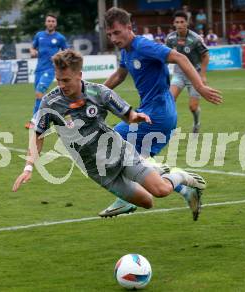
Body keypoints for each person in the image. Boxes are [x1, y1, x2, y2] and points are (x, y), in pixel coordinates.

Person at [12, 49, 206, 221]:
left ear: (79, 75)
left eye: (66, 80)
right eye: (58, 79)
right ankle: (154, 168)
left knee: (161, 191)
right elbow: (38, 133)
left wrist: (135, 117)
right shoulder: (50, 102)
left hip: (121, 154)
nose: (61, 85)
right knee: (147, 202)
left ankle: (180, 176)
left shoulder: (99, 93)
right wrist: (28, 167)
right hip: (98, 171)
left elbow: (128, 114)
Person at [97, 7, 222, 217]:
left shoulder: (144, 46)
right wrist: (96, 95)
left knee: (109, 143)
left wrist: (200, 87)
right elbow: (119, 75)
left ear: (129, 27)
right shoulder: (127, 51)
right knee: (132, 161)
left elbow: (180, 58)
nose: (113, 38)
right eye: (109, 35)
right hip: (152, 112)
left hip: (157, 115)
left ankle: (165, 180)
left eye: (117, 33)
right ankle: (184, 188)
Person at [166, 10, 210, 134]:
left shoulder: (195, 39)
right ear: (174, 23)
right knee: (169, 100)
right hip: (178, 74)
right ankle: (170, 127)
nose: (179, 24)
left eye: (182, 22)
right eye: (177, 22)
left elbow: (205, 56)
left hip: (194, 75)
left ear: (187, 23)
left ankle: (196, 123)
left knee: (193, 107)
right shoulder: (170, 38)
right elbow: (165, 55)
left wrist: (203, 75)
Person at [25, 13, 67, 129]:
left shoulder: (60, 38)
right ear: (45, 23)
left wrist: (59, 57)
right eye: (49, 21)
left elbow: (67, 52)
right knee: (40, 96)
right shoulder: (39, 35)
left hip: (50, 69)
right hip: (39, 69)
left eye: (53, 21)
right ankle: (56, 116)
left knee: (39, 93)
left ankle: (34, 120)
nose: (51, 23)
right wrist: (32, 51)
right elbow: (33, 47)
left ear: (56, 23)